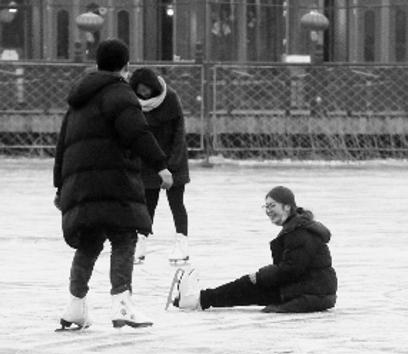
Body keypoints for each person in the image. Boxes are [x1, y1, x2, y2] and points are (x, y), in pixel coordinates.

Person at [53, 39, 173, 330]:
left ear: (97, 63)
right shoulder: (120, 94)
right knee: (124, 237)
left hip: (81, 183)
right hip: (114, 180)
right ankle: (122, 303)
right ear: (126, 66)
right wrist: (161, 166)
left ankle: (75, 306)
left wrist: (60, 186)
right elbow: (137, 133)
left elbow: (63, 145)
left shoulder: (77, 100)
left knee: (90, 241)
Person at [167, 186, 337, 313]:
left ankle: (198, 300)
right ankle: (199, 299)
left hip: (312, 294)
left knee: (249, 285)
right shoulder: (297, 227)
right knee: (247, 285)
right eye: (266, 207)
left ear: (287, 206)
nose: (268, 211)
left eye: (272, 206)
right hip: (305, 289)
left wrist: (261, 276)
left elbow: (291, 270)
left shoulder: (299, 232)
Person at [129, 68, 190, 264]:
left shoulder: (170, 97)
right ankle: (141, 243)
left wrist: (171, 164)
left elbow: (179, 132)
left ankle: (182, 243)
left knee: (176, 203)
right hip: (148, 161)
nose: (144, 93)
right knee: (147, 204)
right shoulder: (133, 102)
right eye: (140, 89)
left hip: (174, 159)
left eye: (147, 89)